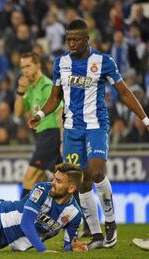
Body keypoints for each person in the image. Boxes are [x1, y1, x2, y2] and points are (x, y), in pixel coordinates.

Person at [29, 19, 149, 249]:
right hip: (72, 129)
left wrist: (145, 118)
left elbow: (123, 93)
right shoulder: (60, 63)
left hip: (96, 125)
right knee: (80, 181)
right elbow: (55, 98)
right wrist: (41, 114)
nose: (71, 43)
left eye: (76, 39)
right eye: (68, 39)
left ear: (87, 40)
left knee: (95, 172)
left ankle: (111, 224)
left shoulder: (103, 61)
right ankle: (95, 234)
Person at [14, 52, 62, 199]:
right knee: (60, 178)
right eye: (22, 67)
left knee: (29, 178)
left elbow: (60, 112)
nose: (25, 70)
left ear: (38, 66)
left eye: (28, 66)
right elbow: (18, 113)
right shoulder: (30, 89)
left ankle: (21, 214)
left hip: (51, 133)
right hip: (43, 135)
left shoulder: (47, 86)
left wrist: (62, 141)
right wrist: (20, 92)